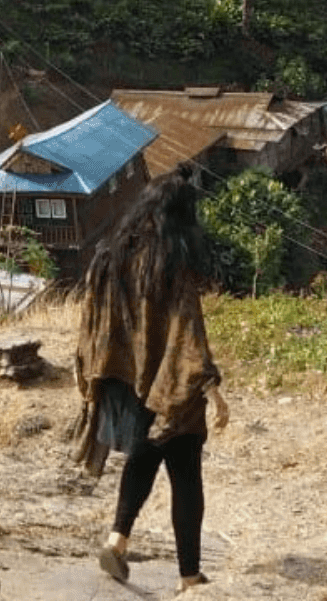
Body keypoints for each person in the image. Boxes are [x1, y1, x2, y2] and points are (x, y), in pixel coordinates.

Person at [74, 177, 228, 594]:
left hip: (123, 379)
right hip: (167, 384)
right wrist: (210, 387)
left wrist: (92, 372)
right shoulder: (169, 262)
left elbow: (91, 317)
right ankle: (189, 575)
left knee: (143, 455)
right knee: (186, 473)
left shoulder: (109, 254)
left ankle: (117, 541)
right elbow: (187, 329)